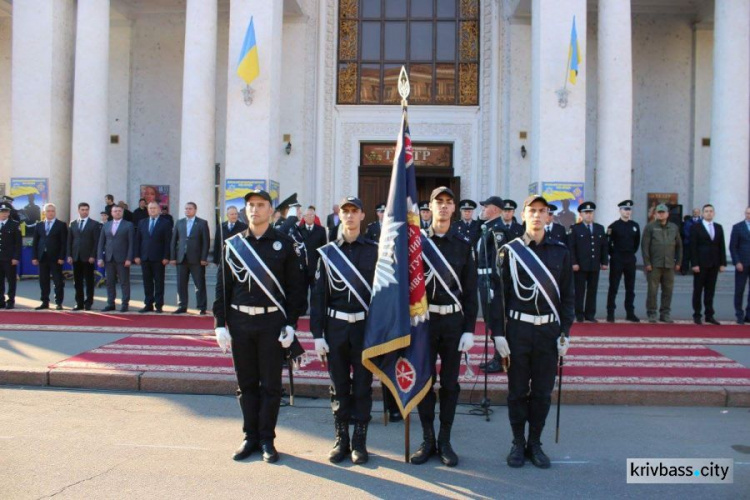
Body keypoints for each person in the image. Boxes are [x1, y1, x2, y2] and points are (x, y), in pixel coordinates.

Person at [213, 189, 306, 463]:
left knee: (271, 385)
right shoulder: (232, 245)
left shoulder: (284, 244)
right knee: (246, 384)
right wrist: (220, 324)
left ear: (271, 210)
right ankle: (249, 436)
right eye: (251, 205)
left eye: (261, 205)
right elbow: (222, 288)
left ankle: (267, 439)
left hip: (270, 323)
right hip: (240, 322)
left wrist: (291, 324)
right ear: (245, 210)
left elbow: (296, 289)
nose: (255, 210)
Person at [490, 195, 574, 469]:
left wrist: (565, 333)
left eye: (542, 211)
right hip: (518, 329)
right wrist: (498, 334)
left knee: (541, 392)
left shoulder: (560, 251)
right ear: (523, 215)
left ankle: (535, 442)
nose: (537, 216)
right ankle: (517, 442)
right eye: (532, 211)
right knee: (516, 391)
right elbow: (498, 297)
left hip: (548, 331)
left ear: (549, 216)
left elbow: (568, 297)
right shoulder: (509, 251)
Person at [410, 187, 477, 468]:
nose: (445, 207)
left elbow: (471, 293)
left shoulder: (463, 245)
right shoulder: (415, 244)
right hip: (423, 322)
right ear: (431, 207)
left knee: (450, 384)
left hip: (452, 322)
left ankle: (445, 440)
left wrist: (469, 330)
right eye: (440, 202)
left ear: (454, 209)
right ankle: (428, 439)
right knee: (424, 382)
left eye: (450, 202)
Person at [310, 196, 378, 465]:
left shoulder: (374, 251)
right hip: (336, 327)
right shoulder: (327, 253)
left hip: (364, 327)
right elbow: (318, 298)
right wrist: (317, 335)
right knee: (339, 387)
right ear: (340, 216)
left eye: (355, 211)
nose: (349, 216)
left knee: (362, 387)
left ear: (362, 215)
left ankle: (360, 441)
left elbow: (382, 296)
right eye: (345, 211)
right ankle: (342, 439)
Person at [477, 195, 509, 374]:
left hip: (491, 280)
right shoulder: (487, 227)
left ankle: (501, 358)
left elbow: (500, 261)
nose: (482, 209)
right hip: (483, 278)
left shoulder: (498, 230)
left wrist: (494, 284)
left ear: (495, 210)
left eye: (485, 206)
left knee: (496, 319)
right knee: (491, 319)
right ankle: (497, 356)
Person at [568, 201, 608, 322]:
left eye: (591, 213)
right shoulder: (575, 228)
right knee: (579, 291)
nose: (589, 215)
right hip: (580, 266)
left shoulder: (600, 228)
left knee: (592, 290)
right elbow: (571, 247)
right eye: (586, 213)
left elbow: (604, 247)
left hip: (594, 265)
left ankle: (590, 314)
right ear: (581, 214)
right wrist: (573, 262)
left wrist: (604, 262)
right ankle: (579, 314)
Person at [641, 204, 682, 323]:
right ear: (655, 214)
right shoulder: (650, 227)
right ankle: (652, 313)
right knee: (652, 291)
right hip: (654, 265)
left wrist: (678, 262)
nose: (661, 214)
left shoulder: (674, 227)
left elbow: (679, 246)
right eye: (659, 212)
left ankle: (665, 313)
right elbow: (645, 246)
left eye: (663, 212)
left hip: (669, 264)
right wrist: (647, 262)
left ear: (667, 214)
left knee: (668, 290)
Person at [170, 202, 210, 314]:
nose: (187, 210)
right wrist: (173, 257)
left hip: (197, 259)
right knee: (181, 284)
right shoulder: (179, 223)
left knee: (199, 284)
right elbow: (173, 241)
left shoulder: (202, 223)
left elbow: (206, 242)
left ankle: (201, 307)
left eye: (190, 209)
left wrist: (204, 258)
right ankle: (182, 306)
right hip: (181, 258)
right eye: (186, 209)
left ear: (195, 210)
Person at [690, 204, 726, 325]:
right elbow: (693, 247)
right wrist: (694, 263)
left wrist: (722, 263)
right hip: (700, 264)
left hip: (714, 264)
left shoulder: (718, 227)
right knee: (698, 290)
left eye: (711, 211)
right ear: (702, 214)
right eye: (706, 211)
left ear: (714, 213)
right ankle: (697, 315)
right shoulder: (696, 227)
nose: (709, 213)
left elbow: (721, 246)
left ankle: (709, 315)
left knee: (710, 291)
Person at [606, 200, 641, 323]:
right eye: (625, 209)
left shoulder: (635, 225)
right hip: (617, 259)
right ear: (620, 210)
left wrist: (630, 254)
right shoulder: (613, 226)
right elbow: (608, 243)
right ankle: (610, 313)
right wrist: (614, 255)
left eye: (629, 209)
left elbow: (636, 243)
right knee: (613, 287)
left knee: (630, 288)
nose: (627, 212)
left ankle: (630, 313)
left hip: (630, 259)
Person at [134, 202, 172, 313]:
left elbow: (167, 241)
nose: (152, 210)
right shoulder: (142, 222)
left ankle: (159, 305)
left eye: (154, 208)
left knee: (159, 282)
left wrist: (166, 256)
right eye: (150, 208)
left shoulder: (166, 223)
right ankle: (148, 304)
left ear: (159, 209)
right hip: (145, 257)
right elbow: (138, 240)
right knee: (147, 282)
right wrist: (136, 255)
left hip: (159, 258)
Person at [97, 205, 134, 312]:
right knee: (110, 282)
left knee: (124, 282)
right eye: (115, 211)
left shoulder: (128, 225)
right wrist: (100, 257)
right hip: (109, 258)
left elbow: (131, 243)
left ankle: (125, 304)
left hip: (123, 258)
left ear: (122, 212)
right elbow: (101, 243)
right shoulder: (106, 225)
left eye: (119, 211)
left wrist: (129, 258)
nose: (117, 213)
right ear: (111, 213)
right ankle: (110, 303)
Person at [31, 203, 67, 310]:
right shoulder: (39, 225)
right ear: (44, 212)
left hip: (56, 258)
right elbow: (35, 242)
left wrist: (61, 257)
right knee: (43, 280)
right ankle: (44, 302)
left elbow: (63, 243)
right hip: (42, 257)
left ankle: (59, 302)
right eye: (48, 211)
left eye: (52, 211)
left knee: (58, 281)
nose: (50, 213)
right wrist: (34, 257)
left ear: (55, 212)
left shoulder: (61, 225)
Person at [67, 202, 102, 311]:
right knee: (77, 281)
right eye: (82, 209)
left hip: (88, 258)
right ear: (78, 210)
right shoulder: (73, 224)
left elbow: (97, 242)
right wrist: (69, 255)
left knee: (89, 281)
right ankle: (79, 303)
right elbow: (69, 241)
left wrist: (93, 255)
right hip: (76, 257)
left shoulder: (94, 224)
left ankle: (88, 303)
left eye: (86, 209)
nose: (84, 211)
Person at [730, 207, 750, 324]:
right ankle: (739, 314)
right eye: (747, 213)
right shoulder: (738, 227)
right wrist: (737, 261)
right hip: (742, 263)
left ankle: (749, 314)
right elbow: (733, 246)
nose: (749, 215)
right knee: (739, 290)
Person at [300, 207, 327, 294]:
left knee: (315, 293)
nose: (310, 217)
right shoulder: (299, 230)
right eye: (308, 215)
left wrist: (322, 266)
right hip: (302, 268)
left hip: (316, 267)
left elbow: (324, 248)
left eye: (312, 215)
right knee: (302, 293)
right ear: (304, 217)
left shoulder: (321, 230)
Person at [0, 202, 22, 309]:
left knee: (11, 281)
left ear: (9, 213)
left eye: (6, 212)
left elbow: (18, 243)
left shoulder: (14, 224)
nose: (4, 214)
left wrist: (16, 257)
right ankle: (1, 300)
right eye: (2, 212)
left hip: (9, 258)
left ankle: (10, 300)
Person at [681, 208, 701, 273]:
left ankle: (695, 269)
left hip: (698, 243)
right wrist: (691, 238)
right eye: (694, 212)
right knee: (686, 256)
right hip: (688, 242)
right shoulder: (688, 221)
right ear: (692, 213)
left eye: (697, 212)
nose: (695, 213)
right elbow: (685, 231)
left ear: (699, 213)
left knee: (696, 257)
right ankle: (684, 269)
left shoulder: (702, 222)